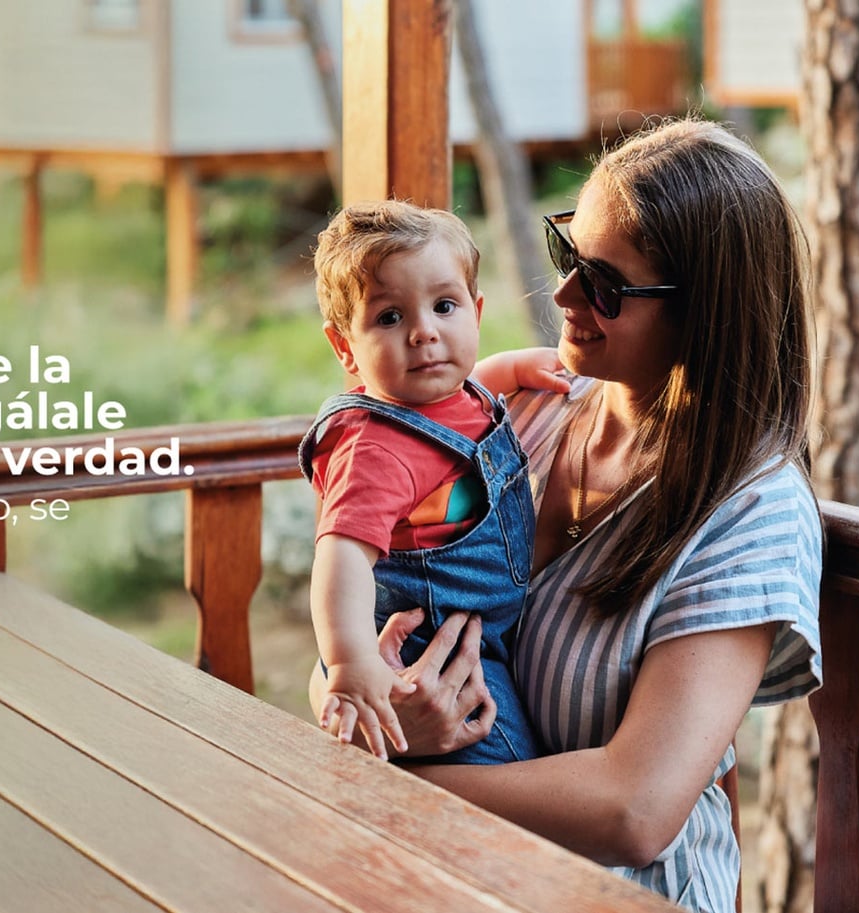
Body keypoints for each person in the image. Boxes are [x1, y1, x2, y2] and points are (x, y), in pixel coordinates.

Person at [309, 120, 825, 913]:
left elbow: (635, 810)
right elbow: (366, 607)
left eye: (605, 285)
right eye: (568, 254)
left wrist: (391, 778)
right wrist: (365, 704)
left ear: (706, 312)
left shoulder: (753, 510)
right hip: (450, 880)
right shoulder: (516, 412)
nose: (562, 297)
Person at [299, 200, 566, 764]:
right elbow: (341, 557)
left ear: (476, 311)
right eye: (389, 318)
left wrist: (512, 368)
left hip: (481, 633)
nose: (424, 333)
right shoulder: (375, 449)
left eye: (445, 306)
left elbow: (462, 411)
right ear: (345, 346)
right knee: (507, 756)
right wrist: (350, 662)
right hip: (436, 657)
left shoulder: (457, 394)